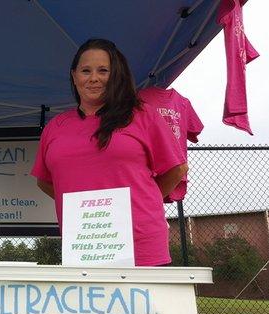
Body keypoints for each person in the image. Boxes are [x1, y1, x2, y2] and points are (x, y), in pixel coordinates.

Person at [31, 39, 187, 266]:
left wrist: (139, 202)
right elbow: (44, 181)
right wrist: (87, 207)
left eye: (103, 71)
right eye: (86, 71)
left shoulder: (143, 115)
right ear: (74, 76)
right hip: (84, 247)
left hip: (141, 247)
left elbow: (177, 169)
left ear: (116, 76)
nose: (93, 78)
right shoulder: (55, 127)